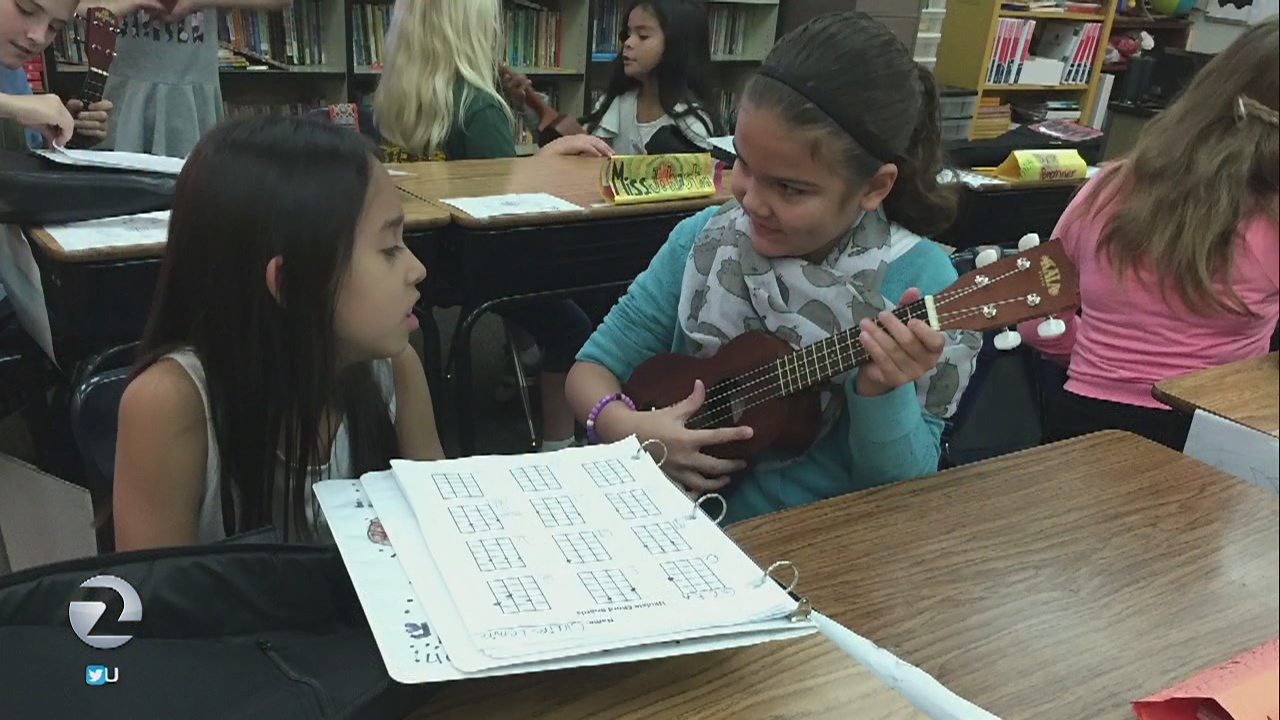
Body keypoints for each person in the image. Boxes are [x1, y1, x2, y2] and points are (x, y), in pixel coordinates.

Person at [565, 12, 981, 524]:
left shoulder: (918, 282)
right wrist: (630, 429)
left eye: (789, 188)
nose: (751, 203)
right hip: (671, 527)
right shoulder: (706, 237)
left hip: (815, 545)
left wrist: (881, 391)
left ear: (875, 187)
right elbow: (591, 368)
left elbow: (904, 491)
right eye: (742, 164)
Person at [112, 115, 444, 550]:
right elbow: (153, 601)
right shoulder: (171, 403)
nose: (417, 269)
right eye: (388, 249)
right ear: (291, 284)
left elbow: (442, 534)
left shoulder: (395, 369)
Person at [1018, 16, 1279, 452]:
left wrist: (1095, 359)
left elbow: (1035, 317)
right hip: (1216, 437)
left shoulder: (1106, 187)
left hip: (1083, 421)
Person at [370, 0, 612, 453]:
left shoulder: (390, 98)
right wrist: (544, 162)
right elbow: (502, 205)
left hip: (423, 260)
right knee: (573, 321)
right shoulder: (478, 106)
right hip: (479, 266)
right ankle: (559, 445)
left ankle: (521, 358)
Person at [98, 0, 292, 158]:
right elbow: (73, 7)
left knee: (191, 188)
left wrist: (193, 2)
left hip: (191, 97)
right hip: (127, 96)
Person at [580, 0, 722, 154]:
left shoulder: (691, 124)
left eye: (642, 36)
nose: (628, 43)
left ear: (677, 45)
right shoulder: (618, 102)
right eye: (627, 34)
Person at [0, 0, 124, 149]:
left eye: (53, 27)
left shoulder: (13, 77)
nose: (39, 36)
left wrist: (56, 133)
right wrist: (10, 108)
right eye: (26, 10)